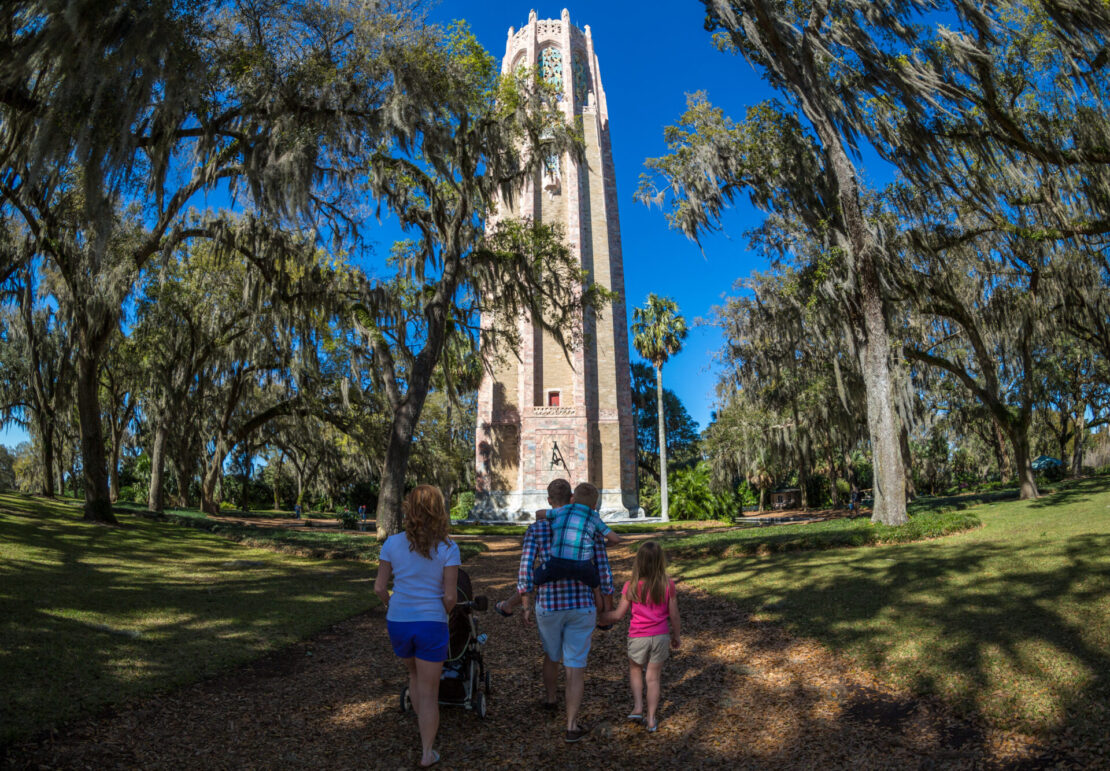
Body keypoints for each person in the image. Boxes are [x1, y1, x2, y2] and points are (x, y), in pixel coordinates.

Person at [518, 482, 615, 743]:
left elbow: (527, 568)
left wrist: (526, 603)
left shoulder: (537, 528)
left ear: (549, 500)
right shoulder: (589, 524)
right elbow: (602, 567)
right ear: (571, 498)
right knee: (575, 665)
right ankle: (571, 725)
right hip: (582, 604)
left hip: (548, 606)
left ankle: (550, 700)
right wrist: (607, 604)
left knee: (551, 654)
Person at [374, 485, 460, 768]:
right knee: (429, 691)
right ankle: (427, 752)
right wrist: (441, 613)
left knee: (413, 674)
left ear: (409, 509)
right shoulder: (448, 547)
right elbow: (450, 596)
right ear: (439, 510)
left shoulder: (392, 543)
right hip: (430, 622)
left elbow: (379, 588)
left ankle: (421, 726)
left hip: (398, 621)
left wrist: (391, 606)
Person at [598, 540, 681, 733]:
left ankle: (637, 707)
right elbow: (674, 615)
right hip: (660, 636)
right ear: (661, 562)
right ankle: (651, 719)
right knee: (653, 678)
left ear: (639, 562)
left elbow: (618, 615)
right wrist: (676, 635)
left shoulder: (631, 586)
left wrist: (602, 618)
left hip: (638, 636)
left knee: (635, 669)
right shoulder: (667, 585)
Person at [533, 483, 622, 588]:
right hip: (583, 565)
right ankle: (598, 595)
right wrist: (606, 544)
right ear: (594, 505)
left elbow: (539, 513)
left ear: (573, 499)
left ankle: (528, 593)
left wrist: (546, 522)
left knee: (536, 578)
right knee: (595, 583)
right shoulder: (594, 517)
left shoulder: (562, 510)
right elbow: (615, 539)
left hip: (557, 562)